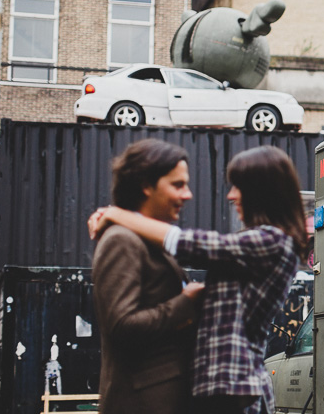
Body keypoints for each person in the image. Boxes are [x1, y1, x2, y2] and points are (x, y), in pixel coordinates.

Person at [90, 145, 309, 414]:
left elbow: (189, 244)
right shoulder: (259, 245)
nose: (231, 195)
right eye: (178, 184)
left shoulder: (270, 242)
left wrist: (117, 215)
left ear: (261, 192)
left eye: (238, 187)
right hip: (223, 390)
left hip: (232, 389)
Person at [92, 138, 204, 414]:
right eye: (177, 185)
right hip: (141, 403)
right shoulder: (121, 241)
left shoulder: (146, 242)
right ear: (145, 185)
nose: (188, 195)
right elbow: (121, 326)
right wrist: (185, 303)